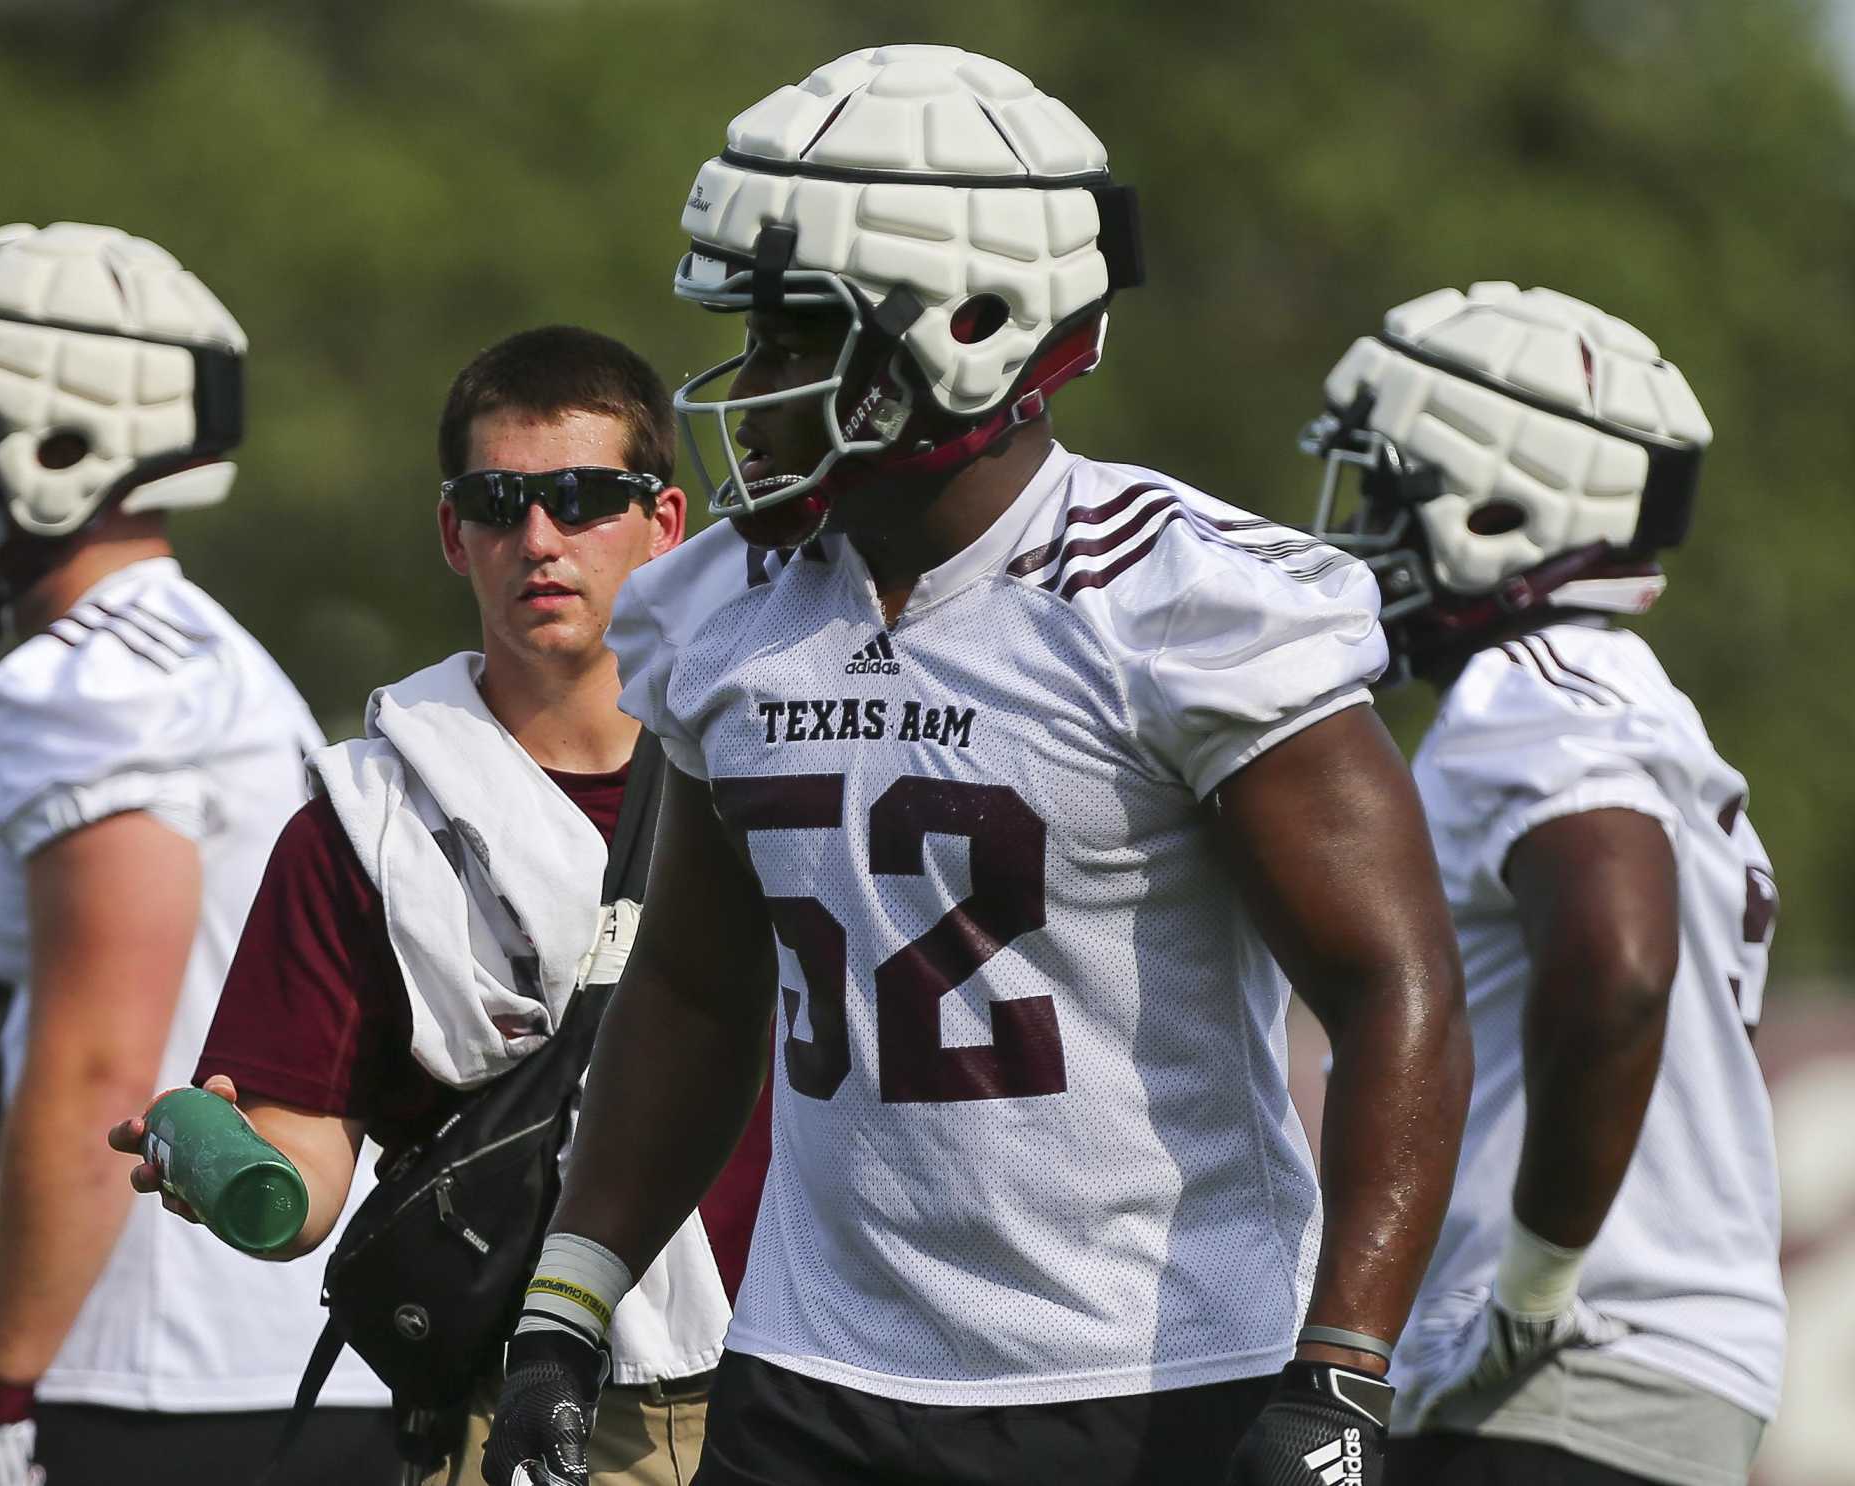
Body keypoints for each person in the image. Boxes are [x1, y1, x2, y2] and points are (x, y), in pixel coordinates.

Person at [484, 45, 1472, 1486]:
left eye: (788, 338)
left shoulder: (1181, 603)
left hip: (1146, 1376)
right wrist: (567, 1304)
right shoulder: (722, 612)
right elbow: (698, 986)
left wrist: (1344, 1371)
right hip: (814, 1369)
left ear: (960, 326)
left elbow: (1398, 984)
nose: (745, 389)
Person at [109, 325, 772, 1486]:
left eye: (583, 497)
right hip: (528, 1408)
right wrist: (222, 1167)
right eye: (497, 499)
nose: (539, 538)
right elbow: (308, 1175)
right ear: (450, 532)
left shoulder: (783, 763)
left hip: (807, 1381)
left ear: (665, 523)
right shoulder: (362, 817)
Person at [0, 221, 392, 1484]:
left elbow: (96, 1068)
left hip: (169, 1380)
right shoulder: (197, 653)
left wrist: (1, 1383)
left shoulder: (93, 686)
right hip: (269, 1359)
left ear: (50, 448)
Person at [1298, 282, 1785, 1485]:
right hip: (1653, 1373)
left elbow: (1616, 963)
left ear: (1494, 509)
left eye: (1386, 494)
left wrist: (1528, 1288)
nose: (1359, 531)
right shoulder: (1625, 692)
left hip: (1560, 1378)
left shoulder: (1524, 688)